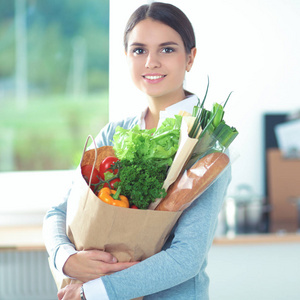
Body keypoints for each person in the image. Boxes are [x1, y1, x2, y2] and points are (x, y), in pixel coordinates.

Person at [43, 2, 231, 300]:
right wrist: (65, 258)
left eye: (167, 49)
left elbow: (186, 258)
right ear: (127, 57)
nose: (150, 62)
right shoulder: (113, 134)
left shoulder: (207, 147)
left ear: (190, 58)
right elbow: (59, 211)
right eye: (139, 50)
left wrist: (93, 291)